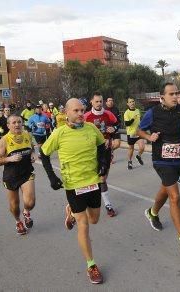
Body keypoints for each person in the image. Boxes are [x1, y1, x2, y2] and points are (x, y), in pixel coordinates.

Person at [40, 98, 107, 284]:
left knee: (94, 219)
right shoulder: (59, 133)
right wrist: (52, 177)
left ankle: (69, 210)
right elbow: (43, 155)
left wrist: (103, 164)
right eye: (76, 110)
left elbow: (102, 146)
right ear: (67, 113)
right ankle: (91, 265)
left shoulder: (92, 129)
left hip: (92, 181)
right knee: (83, 224)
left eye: (82, 110)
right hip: (73, 184)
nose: (80, 114)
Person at [138, 82, 180, 254]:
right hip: (161, 160)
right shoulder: (153, 113)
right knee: (175, 196)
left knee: (166, 189)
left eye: (176, 93)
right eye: (171, 94)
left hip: (177, 159)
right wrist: (150, 136)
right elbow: (138, 130)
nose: (175, 96)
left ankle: (153, 212)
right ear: (162, 97)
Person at [0, 115, 36, 235]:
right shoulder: (4, 140)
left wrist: (32, 155)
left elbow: (31, 148)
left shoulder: (26, 134)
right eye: (14, 122)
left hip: (26, 173)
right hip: (11, 176)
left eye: (19, 122)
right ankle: (18, 221)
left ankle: (26, 212)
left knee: (30, 202)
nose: (17, 124)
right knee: (15, 206)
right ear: (8, 125)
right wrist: (9, 159)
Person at [84, 93, 119, 217]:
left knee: (103, 178)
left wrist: (114, 130)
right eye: (97, 101)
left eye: (101, 101)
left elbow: (117, 124)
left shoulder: (108, 114)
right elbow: (78, 130)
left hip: (106, 150)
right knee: (96, 178)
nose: (99, 104)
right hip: (92, 152)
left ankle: (100, 197)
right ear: (91, 102)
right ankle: (107, 204)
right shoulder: (86, 116)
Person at [123, 97, 145, 170]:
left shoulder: (138, 110)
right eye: (130, 102)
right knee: (131, 149)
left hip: (138, 132)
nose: (132, 103)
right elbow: (127, 124)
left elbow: (139, 120)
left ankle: (138, 156)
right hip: (131, 134)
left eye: (133, 101)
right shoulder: (126, 113)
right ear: (127, 104)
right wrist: (133, 118)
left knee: (142, 147)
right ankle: (129, 161)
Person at [105, 97, 122, 162]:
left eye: (112, 100)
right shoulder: (103, 110)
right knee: (107, 144)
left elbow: (119, 121)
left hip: (115, 129)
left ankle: (109, 151)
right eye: (109, 100)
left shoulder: (116, 109)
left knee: (117, 144)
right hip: (107, 130)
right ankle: (108, 155)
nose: (111, 102)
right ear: (106, 102)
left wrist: (115, 127)